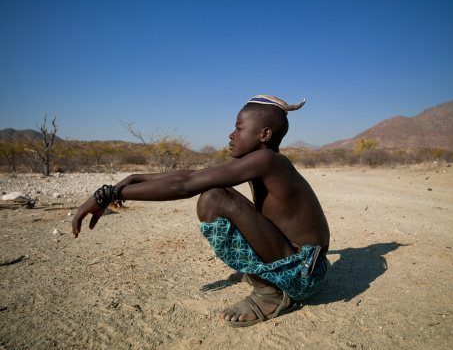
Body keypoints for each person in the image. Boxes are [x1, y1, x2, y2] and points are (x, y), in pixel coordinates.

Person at [72, 95, 330, 327]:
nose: (231, 135)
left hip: (303, 273)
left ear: (264, 135)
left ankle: (271, 293)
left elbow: (186, 185)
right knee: (216, 192)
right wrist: (134, 177)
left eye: (239, 129)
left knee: (213, 199)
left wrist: (107, 195)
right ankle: (270, 279)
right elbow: (193, 175)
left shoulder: (266, 160)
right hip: (305, 264)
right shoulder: (267, 160)